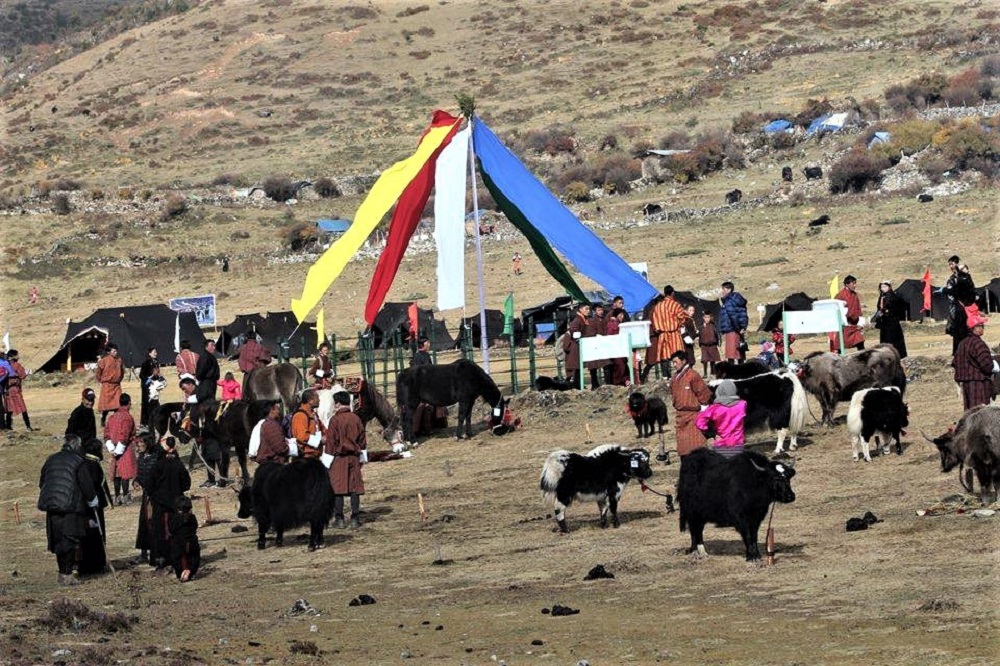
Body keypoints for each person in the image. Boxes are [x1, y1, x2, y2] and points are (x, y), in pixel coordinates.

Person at [38, 434, 98, 586]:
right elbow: (86, 485)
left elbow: (42, 482)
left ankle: (62, 573)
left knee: (58, 541)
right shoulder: (79, 461)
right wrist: (93, 501)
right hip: (71, 505)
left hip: (52, 505)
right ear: (77, 446)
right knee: (71, 539)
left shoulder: (51, 459)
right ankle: (68, 574)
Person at [324, 389, 367, 533]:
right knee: (354, 488)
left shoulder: (335, 420)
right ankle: (355, 518)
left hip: (339, 458)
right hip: (354, 457)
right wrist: (362, 457)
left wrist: (326, 462)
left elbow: (330, 442)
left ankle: (340, 519)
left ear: (337, 404)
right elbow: (362, 440)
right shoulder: (356, 418)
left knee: (338, 489)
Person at [147, 437, 191, 572]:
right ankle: (173, 557)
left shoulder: (157, 465)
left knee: (160, 531)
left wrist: (155, 496)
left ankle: (160, 557)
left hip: (160, 504)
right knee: (173, 532)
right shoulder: (178, 465)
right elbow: (186, 484)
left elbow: (149, 485)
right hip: (174, 504)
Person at [78, 438, 112, 576]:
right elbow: (92, 486)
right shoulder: (91, 465)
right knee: (94, 535)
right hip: (92, 506)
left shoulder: (90, 463)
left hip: (93, 505)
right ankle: (94, 564)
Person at [669, 350, 712, 460]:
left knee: (696, 447)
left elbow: (704, 394)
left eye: (675, 362)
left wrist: (702, 407)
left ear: (683, 361)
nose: (674, 365)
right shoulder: (674, 378)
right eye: (672, 363)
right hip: (680, 417)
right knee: (684, 450)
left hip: (693, 415)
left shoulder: (693, 375)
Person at [952, 315, 996, 411]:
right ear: (975, 328)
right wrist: (994, 366)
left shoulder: (962, 343)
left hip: (966, 385)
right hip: (979, 385)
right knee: (980, 415)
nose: (983, 328)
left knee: (970, 415)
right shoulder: (978, 344)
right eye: (981, 325)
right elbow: (987, 366)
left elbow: (955, 362)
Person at [695, 379, 747, 458]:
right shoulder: (742, 404)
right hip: (738, 443)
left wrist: (711, 433)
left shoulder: (715, 408)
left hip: (721, 444)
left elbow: (699, 422)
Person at [104, 393, 139, 506]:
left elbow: (106, 434)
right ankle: (125, 496)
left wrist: (112, 448)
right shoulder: (127, 417)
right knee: (125, 474)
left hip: (113, 447)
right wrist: (119, 449)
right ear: (129, 403)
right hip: (125, 448)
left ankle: (117, 497)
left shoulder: (112, 417)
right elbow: (124, 435)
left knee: (117, 474)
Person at [133, 434, 161, 565]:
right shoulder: (142, 457)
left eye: (140, 442)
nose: (138, 445)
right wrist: (136, 481)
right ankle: (144, 553)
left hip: (156, 496)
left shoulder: (157, 457)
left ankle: (157, 552)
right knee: (144, 524)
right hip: (146, 495)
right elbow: (139, 474)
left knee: (155, 524)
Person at [943, 255, 977, 355]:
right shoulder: (952, 279)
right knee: (958, 331)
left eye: (952, 264)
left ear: (956, 264)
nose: (950, 266)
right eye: (949, 264)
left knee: (968, 329)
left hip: (965, 307)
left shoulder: (963, 277)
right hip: (957, 307)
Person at [650, 286, 685, 378]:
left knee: (664, 356)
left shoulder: (658, 307)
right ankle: (680, 375)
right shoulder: (676, 305)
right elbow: (682, 318)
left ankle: (666, 377)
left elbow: (655, 322)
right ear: (672, 293)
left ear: (664, 293)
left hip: (662, 335)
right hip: (674, 334)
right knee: (678, 355)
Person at [169, 495, 200, 582]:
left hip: (179, 542)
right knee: (194, 557)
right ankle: (190, 571)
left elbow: (172, 529)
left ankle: (181, 573)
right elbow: (195, 526)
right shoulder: (192, 517)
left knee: (176, 558)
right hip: (192, 541)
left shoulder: (176, 518)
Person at [831, 275, 865, 352]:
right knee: (841, 344)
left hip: (854, 325)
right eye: (853, 283)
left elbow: (857, 308)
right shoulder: (841, 295)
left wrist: (860, 321)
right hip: (845, 324)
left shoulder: (854, 295)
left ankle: (863, 358)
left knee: (860, 341)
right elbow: (836, 308)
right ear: (847, 284)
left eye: (855, 283)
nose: (855, 285)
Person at [875, 280, 908, 359]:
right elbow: (879, 307)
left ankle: (897, 355)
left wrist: (887, 311)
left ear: (889, 287)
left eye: (885, 287)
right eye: (881, 287)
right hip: (885, 322)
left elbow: (897, 308)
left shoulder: (893, 296)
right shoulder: (882, 296)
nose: (883, 289)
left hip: (892, 321)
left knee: (893, 339)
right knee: (885, 340)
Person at [719, 281, 749, 363]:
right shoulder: (738, 300)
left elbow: (733, 316)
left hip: (732, 329)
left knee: (731, 354)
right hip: (739, 329)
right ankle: (742, 372)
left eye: (723, 289)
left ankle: (732, 373)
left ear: (729, 289)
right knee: (739, 351)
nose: (722, 291)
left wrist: (737, 328)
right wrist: (743, 327)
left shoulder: (729, 301)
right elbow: (744, 315)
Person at [291, 389, 324, 461]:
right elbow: (302, 436)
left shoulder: (313, 414)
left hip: (314, 455)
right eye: (317, 398)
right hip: (305, 457)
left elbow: (323, 429)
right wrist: (319, 441)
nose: (319, 400)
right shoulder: (300, 415)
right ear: (310, 401)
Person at [95, 343, 124, 426]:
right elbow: (98, 372)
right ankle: (103, 418)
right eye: (114, 351)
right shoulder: (103, 361)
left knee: (117, 404)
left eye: (116, 350)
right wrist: (101, 380)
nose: (116, 352)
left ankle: (116, 421)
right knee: (106, 406)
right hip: (107, 385)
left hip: (116, 385)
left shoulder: (119, 360)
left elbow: (122, 372)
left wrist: (118, 379)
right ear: (109, 352)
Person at [563, 303, 591, 389]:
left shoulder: (583, 319)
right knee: (575, 368)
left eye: (589, 309)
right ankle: (573, 386)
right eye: (586, 309)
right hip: (575, 348)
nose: (588, 311)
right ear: (580, 309)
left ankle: (577, 385)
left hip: (578, 347)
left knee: (577, 368)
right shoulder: (577, 320)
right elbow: (573, 331)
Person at [4, 349, 32, 431]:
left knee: (9, 409)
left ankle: (8, 427)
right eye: (17, 355)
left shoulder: (5, 365)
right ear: (13, 357)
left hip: (8, 391)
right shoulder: (17, 365)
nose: (18, 356)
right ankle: (28, 426)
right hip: (16, 390)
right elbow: (23, 375)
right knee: (23, 408)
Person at [139, 347, 161, 428]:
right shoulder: (146, 363)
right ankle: (145, 422)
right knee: (147, 404)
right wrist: (148, 379)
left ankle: (154, 420)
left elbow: (157, 374)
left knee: (155, 402)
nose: (156, 353)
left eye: (156, 352)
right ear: (149, 353)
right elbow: (141, 375)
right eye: (154, 352)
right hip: (147, 387)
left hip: (154, 386)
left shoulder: (156, 362)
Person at [698, 311, 721, 377]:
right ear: (703, 318)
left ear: (710, 318)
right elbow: (698, 333)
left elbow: (717, 333)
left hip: (712, 344)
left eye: (708, 317)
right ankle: (705, 373)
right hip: (704, 345)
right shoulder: (701, 325)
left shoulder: (713, 325)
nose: (707, 319)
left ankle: (712, 372)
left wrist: (718, 342)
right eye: (705, 317)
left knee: (712, 359)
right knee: (705, 360)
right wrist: (702, 326)